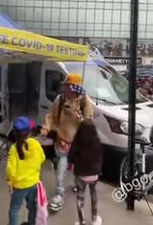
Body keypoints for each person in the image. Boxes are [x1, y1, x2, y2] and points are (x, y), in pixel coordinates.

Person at [40, 73, 94, 211]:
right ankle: (58, 195)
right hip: (62, 141)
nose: (65, 89)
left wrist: (75, 115)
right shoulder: (60, 99)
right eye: (65, 86)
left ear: (75, 88)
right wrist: (46, 128)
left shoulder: (85, 101)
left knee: (78, 170)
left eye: (68, 86)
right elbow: (51, 115)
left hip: (79, 144)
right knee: (61, 170)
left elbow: (88, 124)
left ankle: (78, 183)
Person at [6, 117, 46, 225]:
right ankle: (31, 223)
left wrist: (10, 181)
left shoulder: (14, 149)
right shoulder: (35, 144)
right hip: (33, 182)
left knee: (14, 209)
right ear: (29, 131)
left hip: (19, 185)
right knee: (32, 207)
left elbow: (11, 170)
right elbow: (42, 158)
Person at [68, 119, 103, 225]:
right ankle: (94, 218)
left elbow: (70, 158)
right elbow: (101, 159)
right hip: (94, 175)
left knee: (80, 196)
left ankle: (81, 221)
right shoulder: (98, 142)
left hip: (80, 175)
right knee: (93, 194)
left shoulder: (77, 142)